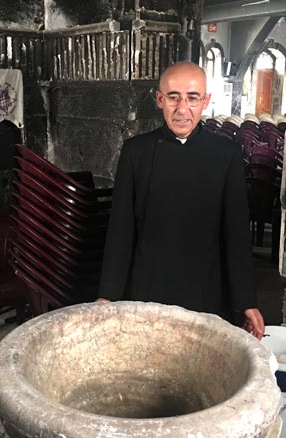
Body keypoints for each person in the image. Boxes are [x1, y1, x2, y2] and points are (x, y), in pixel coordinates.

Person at [97, 61, 265, 340]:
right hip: (148, 286)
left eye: (192, 98)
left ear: (206, 101)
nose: (182, 109)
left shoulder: (227, 154)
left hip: (205, 288)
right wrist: (107, 295)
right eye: (173, 97)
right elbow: (120, 230)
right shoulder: (136, 152)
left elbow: (236, 233)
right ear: (160, 99)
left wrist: (246, 300)